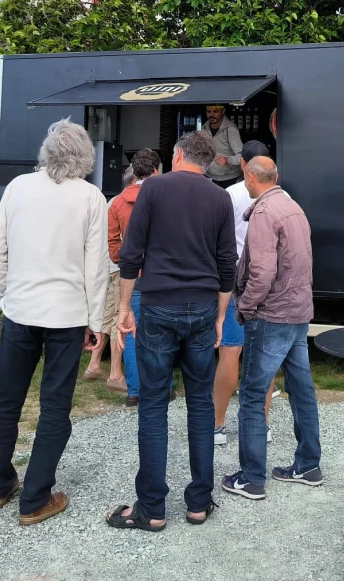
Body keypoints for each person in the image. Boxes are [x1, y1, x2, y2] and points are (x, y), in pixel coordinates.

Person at [106, 131, 237, 531]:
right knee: (200, 403)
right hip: (200, 308)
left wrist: (125, 308)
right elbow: (227, 262)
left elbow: (132, 254)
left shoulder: (153, 188)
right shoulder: (220, 197)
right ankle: (198, 502)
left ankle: (152, 509)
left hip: (159, 305)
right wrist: (219, 317)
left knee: (153, 404)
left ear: (177, 154)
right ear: (210, 160)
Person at [0, 119, 108, 525]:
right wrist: (96, 321)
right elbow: (96, 267)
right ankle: (35, 498)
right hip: (67, 317)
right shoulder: (91, 197)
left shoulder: (19, 187)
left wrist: (9, 287)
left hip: (20, 311)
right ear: (85, 157)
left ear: (47, 151)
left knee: (7, 402)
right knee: (55, 406)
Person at [222, 157, 322, 501]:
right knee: (302, 390)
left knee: (251, 394)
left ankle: (251, 478)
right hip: (298, 313)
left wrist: (246, 306)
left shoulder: (264, 213)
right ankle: (309, 465)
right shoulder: (292, 205)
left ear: (250, 177)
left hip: (271, 315)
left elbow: (262, 272)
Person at [213, 140, 279, 447]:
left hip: (236, 282)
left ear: (243, 165)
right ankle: (261, 425)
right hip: (270, 285)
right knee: (264, 355)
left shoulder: (229, 195)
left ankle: (217, 426)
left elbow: (219, 241)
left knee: (230, 350)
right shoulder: (283, 196)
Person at [105, 149, 161, 407]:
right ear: (156, 170)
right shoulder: (163, 196)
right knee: (162, 331)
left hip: (131, 274)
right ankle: (162, 387)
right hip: (160, 273)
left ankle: (134, 391)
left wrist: (122, 261)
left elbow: (112, 240)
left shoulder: (117, 202)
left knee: (130, 329)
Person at [82, 165, 136, 392]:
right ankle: (115, 373)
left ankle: (94, 365)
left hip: (105, 267)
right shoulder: (124, 204)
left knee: (106, 316)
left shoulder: (110, 202)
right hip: (118, 268)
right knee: (118, 318)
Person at [203, 104, 243, 188]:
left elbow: (242, 155)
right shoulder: (204, 128)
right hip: (209, 176)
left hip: (229, 178)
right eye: (209, 112)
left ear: (223, 111)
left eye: (215, 111)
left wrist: (228, 160)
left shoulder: (230, 129)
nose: (211, 115)